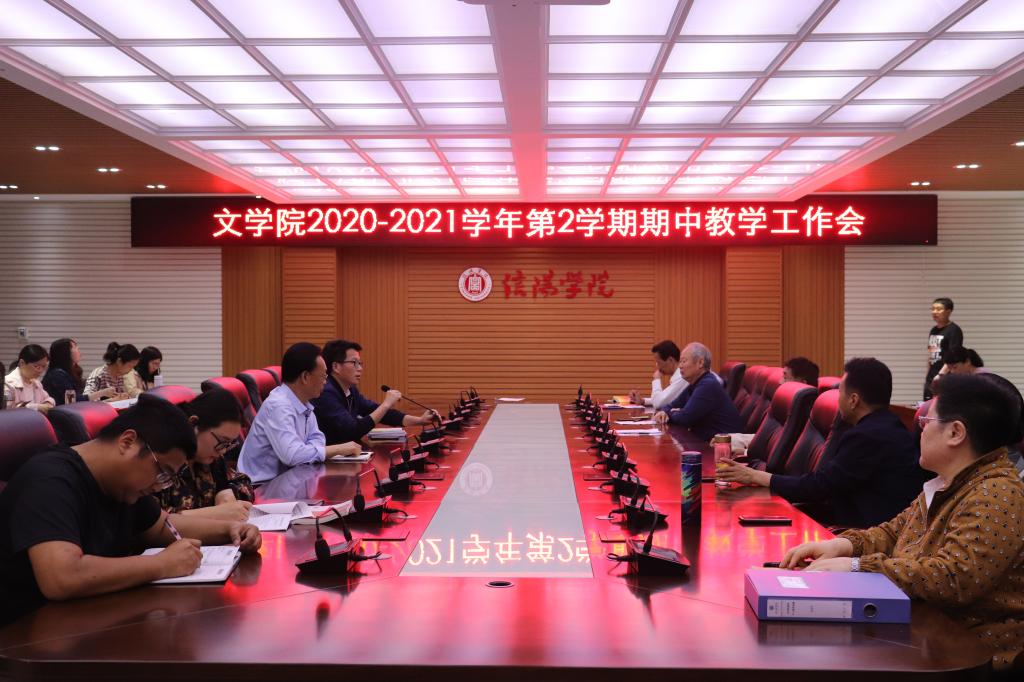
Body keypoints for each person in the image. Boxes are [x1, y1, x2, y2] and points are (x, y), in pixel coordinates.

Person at [780, 374, 1024, 674]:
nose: (920, 430)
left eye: (927, 421)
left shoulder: (996, 493)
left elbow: (953, 578)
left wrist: (858, 567)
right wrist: (843, 545)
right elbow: (893, 532)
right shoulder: (950, 482)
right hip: (920, 633)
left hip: (964, 656)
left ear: (955, 433)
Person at [0, 395, 262, 624]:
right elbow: (62, 577)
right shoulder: (51, 480)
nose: (159, 486)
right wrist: (162, 564)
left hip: (93, 617)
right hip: (31, 635)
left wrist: (230, 530)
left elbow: (160, 526)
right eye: (162, 472)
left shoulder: (122, 486)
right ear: (127, 442)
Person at [718, 357, 929, 528]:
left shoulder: (868, 436)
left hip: (864, 533)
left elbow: (820, 486)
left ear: (853, 400)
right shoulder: (886, 425)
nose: (838, 400)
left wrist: (756, 476)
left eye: (841, 393)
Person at [237, 342, 361, 484]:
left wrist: (308, 450)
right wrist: (338, 449)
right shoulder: (279, 406)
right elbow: (292, 456)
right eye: (323, 376)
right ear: (305, 377)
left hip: (291, 480)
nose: (325, 382)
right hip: (261, 486)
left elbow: (318, 438)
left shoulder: (304, 402)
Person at [155, 388, 254, 521]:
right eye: (222, 442)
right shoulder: (161, 458)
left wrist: (225, 493)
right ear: (193, 424)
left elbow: (242, 482)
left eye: (228, 444)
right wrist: (214, 513)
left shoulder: (211, 458)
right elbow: (149, 521)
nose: (223, 451)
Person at [313, 339, 437, 445]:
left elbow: (377, 411)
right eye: (354, 363)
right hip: (327, 460)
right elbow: (353, 430)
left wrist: (420, 420)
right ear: (336, 367)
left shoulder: (350, 390)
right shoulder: (326, 393)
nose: (360, 368)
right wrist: (386, 404)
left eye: (360, 363)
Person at [724, 356, 821, 454]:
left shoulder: (806, 414)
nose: (780, 382)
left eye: (785, 378)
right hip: (762, 450)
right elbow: (764, 438)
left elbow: (786, 450)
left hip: (767, 459)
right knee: (726, 441)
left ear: (802, 384)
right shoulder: (787, 403)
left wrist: (745, 452)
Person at [653, 342, 742, 440]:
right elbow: (671, 405)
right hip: (705, 440)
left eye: (683, 361)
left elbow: (685, 418)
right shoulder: (695, 384)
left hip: (721, 444)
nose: (680, 366)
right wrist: (665, 412)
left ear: (700, 363)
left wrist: (670, 414)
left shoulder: (708, 385)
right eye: (680, 362)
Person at [43, 338, 116, 405]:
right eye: (74, 347)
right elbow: (71, 400)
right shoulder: (57, 375)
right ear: (65, 353)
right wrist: (102, 393)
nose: (78, 349)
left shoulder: (70, 372)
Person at [924, 297, 963, 400]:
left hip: (946, 377)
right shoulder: (933, 330)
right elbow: (931, 353)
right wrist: (928, 375)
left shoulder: (954, 330)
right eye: (933, 309)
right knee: (927, 405)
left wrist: (940, 375)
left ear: (948, 312)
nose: (934, 312)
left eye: (938, 309)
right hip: (932, 376)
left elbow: (953, 356)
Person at [3, 344, 55, 413]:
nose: (41, 370)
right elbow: (7, 410)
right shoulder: (8, 383)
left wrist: (47, 403)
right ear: (22, 363)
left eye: (44, 366)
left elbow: (48, 399)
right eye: (37, 366)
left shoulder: (36, 383)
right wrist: (36, 407)